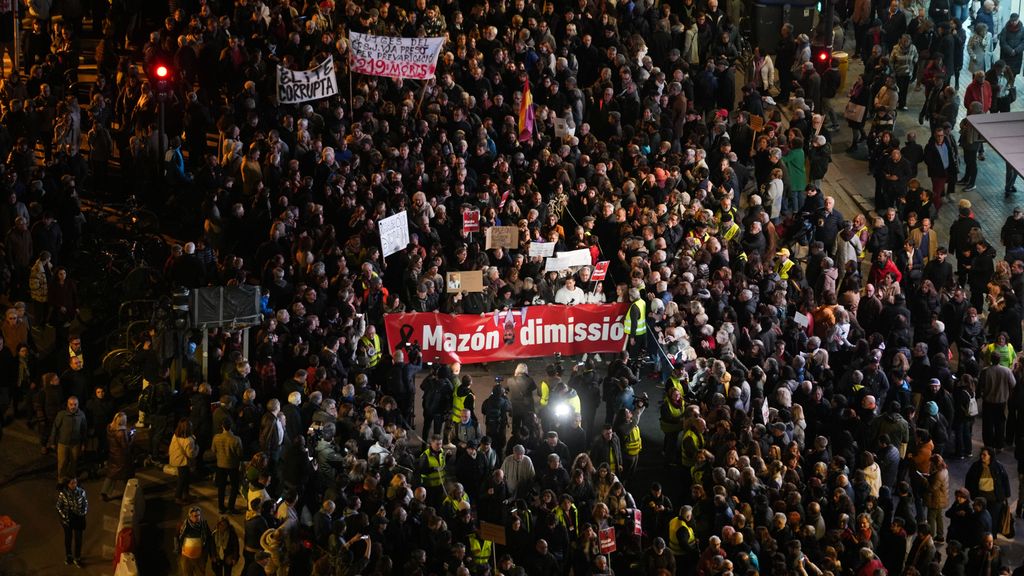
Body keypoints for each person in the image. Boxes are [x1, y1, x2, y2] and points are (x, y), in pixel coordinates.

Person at [964, 448, 1011, 534]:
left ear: (990, 456)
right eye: (981, 454)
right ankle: (980, 536)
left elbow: (1005, 480)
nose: (982, 456)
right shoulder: (976, 466)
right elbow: (969, 479)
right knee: (979, 518)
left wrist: (1006, 494)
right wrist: (969, 493)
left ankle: (992, 537)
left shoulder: (998, 466)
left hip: (995, 498)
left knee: (994, 519)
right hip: (980, 498)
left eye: (984, 455)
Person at [50, 395, 87, 481]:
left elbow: (84, 430)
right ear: (67, 404)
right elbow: (55, 427)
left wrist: (84, 443)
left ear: (78, 404)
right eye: (71, 404)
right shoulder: (62, 414)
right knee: (62, 463)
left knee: (74, 462)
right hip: (63, 443)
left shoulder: (81, 415)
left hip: (75, 444)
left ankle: (71, 479)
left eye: (75, 404)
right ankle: (61, 480)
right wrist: (52, 442)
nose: (73, 406)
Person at [101, 411, 134, 501]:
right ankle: (130, 493)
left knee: (111, 475)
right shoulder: (121, 433)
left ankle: (105, 491)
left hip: (113, 455)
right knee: (127, 475)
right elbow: (126, 447)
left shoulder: (110, 428)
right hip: (121, 457)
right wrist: (131, 438)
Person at [212, 418, 243, 514]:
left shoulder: (216, 437)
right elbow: (240, 454)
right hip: (232, 466)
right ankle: (231, 507)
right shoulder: (236, 439)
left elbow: (213, 450)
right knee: (234, 487)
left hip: (220, 465)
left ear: (222, 426)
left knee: (221, 487)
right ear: (231, 427)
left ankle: (221, 507)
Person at [56, 476, 87, 567]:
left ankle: (77, 558)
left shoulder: (81, 492)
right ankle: (69, 556)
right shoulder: (63, 494)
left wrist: (83, 513)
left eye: (75, 483)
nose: (74, 485)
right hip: (68, 520)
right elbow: (58, 506)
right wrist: (64, 516)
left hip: (79, 519)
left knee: (78, 539)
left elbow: (85, 503)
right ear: (67, 484)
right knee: (68, 538)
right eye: (72, 483)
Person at [177, 506, 213, 576]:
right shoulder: (185, 525)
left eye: (199, 515)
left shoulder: (204, 524)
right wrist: (178, 551)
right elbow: (178, 538)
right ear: (190, 517)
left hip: (200, 557)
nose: (198, 517)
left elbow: (209, 538)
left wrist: (208, 554)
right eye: (195, 516)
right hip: (186, 558)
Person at [170, 418, 198, 505]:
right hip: (182, 461)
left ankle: (186, 494)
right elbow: (191, 454)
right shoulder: (188, 440)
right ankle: (178, 497)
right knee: (182, 479)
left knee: (185, 478)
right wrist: (197, 448)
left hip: (176, 459)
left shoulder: (176, 435)